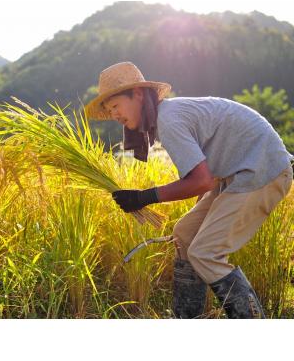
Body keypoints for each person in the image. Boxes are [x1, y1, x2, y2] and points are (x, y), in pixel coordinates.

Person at [85, 61, 294, 319]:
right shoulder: (167, 116)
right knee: (184, 235)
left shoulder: (169, 119)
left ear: (138, 94)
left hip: (262, 169)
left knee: (205, 252)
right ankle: (188, 319)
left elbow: (201, 181)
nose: (115, 115)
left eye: (115, 106)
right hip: (237, 174)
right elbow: (203, 175)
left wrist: (143, 197)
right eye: (109, 110)